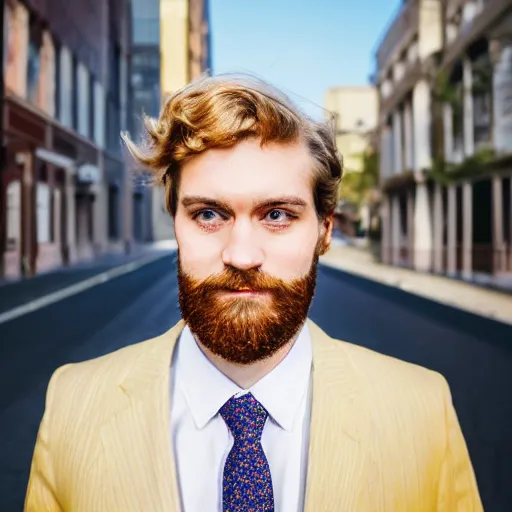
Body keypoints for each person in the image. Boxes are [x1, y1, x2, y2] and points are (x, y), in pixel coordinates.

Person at [25, 75, 483, 512]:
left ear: (324, 230)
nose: (242, 256)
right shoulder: (72, 403)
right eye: (208, 214)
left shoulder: (422, 409)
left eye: (278, 215)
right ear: (177, 223)